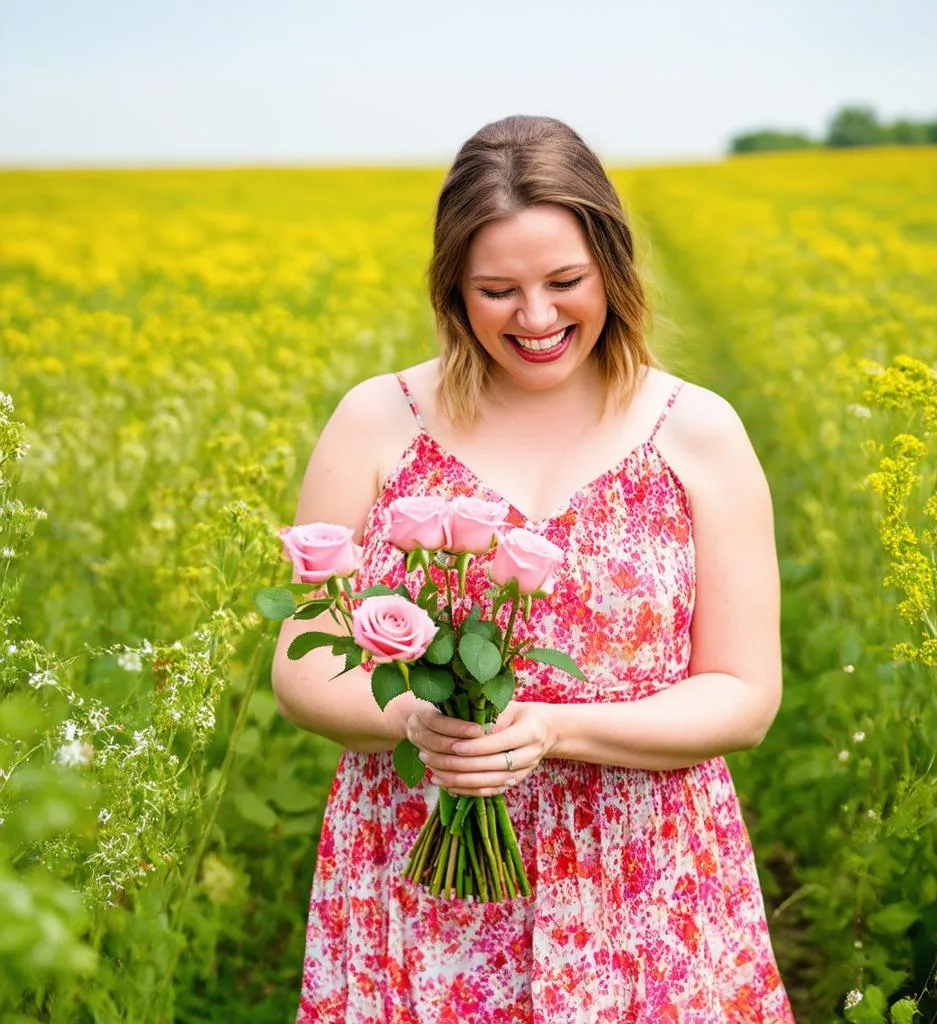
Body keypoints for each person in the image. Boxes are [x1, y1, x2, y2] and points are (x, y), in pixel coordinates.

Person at [271, 114, 795, 1023]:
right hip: (421, 878)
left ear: (614, 268)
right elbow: (302, 663)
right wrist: (423, 723)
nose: (539, 318)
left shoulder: (698, 431)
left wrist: (547, 728)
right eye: (498, 290)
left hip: (646, 883)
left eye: (565, 282)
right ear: (453, 291)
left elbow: (745, 695)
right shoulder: (376, 422)